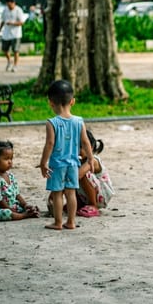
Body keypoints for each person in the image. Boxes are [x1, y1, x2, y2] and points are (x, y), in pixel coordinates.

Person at [39, 79, 93, 230]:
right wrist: (90, 158)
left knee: (57, 193)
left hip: (57, 165)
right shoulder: (79, 121)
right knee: (71, 193)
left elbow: (49, 144)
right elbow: (85, 142)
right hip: (73, 164)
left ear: (51, 103)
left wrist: (43, 163)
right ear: (72, 101)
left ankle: (58, 223)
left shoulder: (52, 123)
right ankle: (71, 221)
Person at [0, 139, 39, 221]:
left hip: (11, 206)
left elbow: (17, 194)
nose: (10, 162)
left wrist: (25, 205)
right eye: (6, 159)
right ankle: (24, 216)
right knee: (6, 213)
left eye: (11, 159)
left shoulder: (11, 176)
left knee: (26, 208)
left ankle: (26, 213)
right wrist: (10, 209)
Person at [76, 129, 115, 216]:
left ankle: (93, 205)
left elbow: (78, 175)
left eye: (81, 147)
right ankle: (78, 203)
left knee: (80, 174)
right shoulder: (78, 160)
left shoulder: (93, 160)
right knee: (70, 171)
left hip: (101, 196)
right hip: (85, 194)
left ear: (91, 147)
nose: (78, 151)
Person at [0, 0, 25, 72]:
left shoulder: (18, 10)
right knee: (4, 50)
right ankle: (9, 61)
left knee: (16, 50)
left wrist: (12, 23)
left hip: (16, 34)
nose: (9, 7)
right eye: (7, 5)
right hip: (6, 33)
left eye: (10, 5)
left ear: (13, 3)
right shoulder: (5, 10)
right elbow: (3, 21)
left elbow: (22, 22)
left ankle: (15, 65)